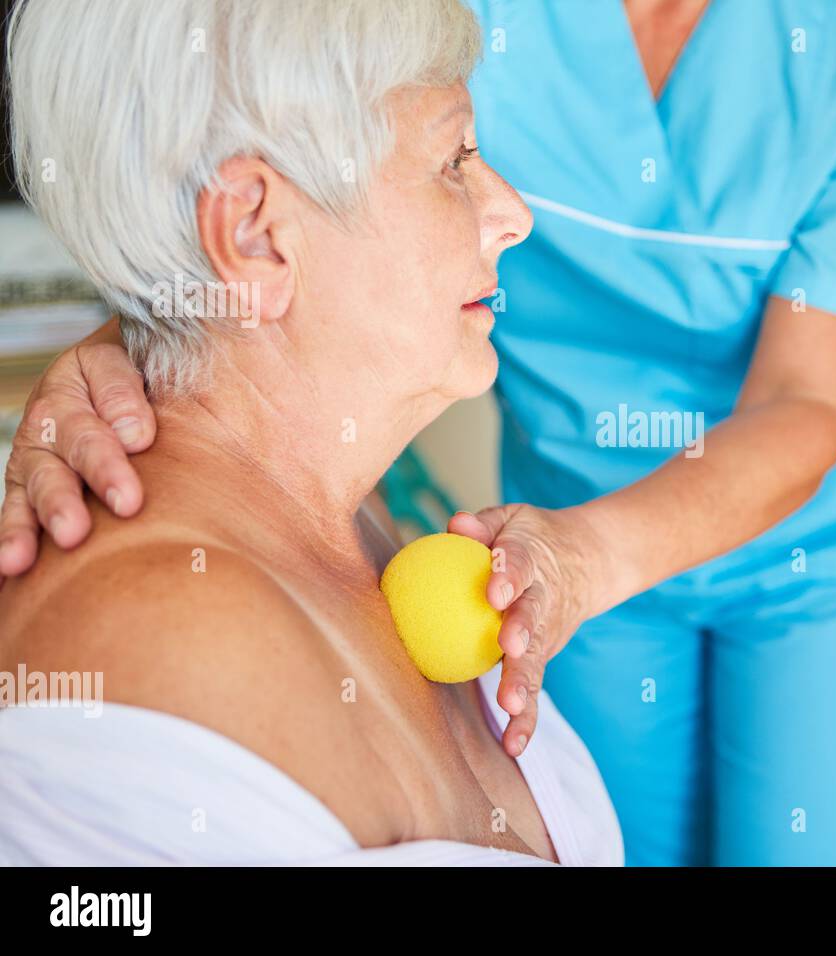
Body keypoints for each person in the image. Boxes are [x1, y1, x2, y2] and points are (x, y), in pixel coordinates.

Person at [2, 0, 836, 866]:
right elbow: (238, 160)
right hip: (558, 515)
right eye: (462, 162)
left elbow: (809, 398)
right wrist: (130, 340)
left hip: (809, 541)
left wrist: (587, 559)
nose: (512, 214)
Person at [0, 0, 620, 867]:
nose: (512, 213)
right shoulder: (165, 647)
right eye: (454, 160)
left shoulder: (339, 515)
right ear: (256, 233)